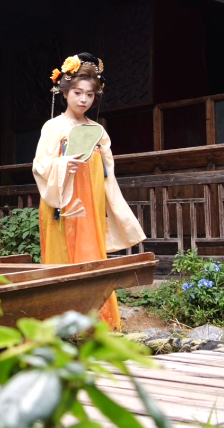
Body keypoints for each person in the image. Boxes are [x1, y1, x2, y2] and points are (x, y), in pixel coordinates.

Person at [32, 53, 146, 331]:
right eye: (77, 93)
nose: (83, 100)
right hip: (61, 204)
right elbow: (40, 166)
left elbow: (108, 172)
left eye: (90, 95)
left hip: (90, 206)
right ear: (65, 93)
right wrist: (62, 163)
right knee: (62, 260)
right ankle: (61, 327)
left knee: (92, 257)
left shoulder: (97, 130)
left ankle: (97, 326)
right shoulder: (53, 127)